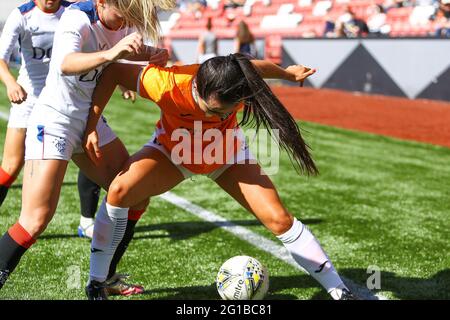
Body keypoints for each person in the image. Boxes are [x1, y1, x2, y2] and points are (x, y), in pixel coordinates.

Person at [83, 53, 358, 300]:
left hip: (226, 156)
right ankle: (97, 283)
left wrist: (288, 74)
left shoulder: (238, 79)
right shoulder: (166, 83)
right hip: (172, 153)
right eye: (212, 110)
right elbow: (115, 71)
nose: (217, 116)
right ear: (198, 88)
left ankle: (339, 292)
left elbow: (254, 68)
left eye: (226, 110)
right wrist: (92, 124)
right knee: (120, 191)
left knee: (280, 220)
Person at [0, 0, 175, 296]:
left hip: (89, 121)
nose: (125, 23)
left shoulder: (124, 21)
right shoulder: (78, 16)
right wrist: (112, 53)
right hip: (55, 121)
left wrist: (154, 54)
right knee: (35, 220)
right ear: (102, 2)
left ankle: (102, 280)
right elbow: (66, 63)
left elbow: (124, 50)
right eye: (122, 15)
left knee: (135, 195)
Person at [0, 0, 133, 240]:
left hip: (74, 100)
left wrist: (122, 81)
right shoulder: (22, 15)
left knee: (93, 153)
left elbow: (103, 57)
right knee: (10, 169)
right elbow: (2, 59)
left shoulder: (75, 12)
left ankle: (87, 221)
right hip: (29, 100)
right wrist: (11, 83)